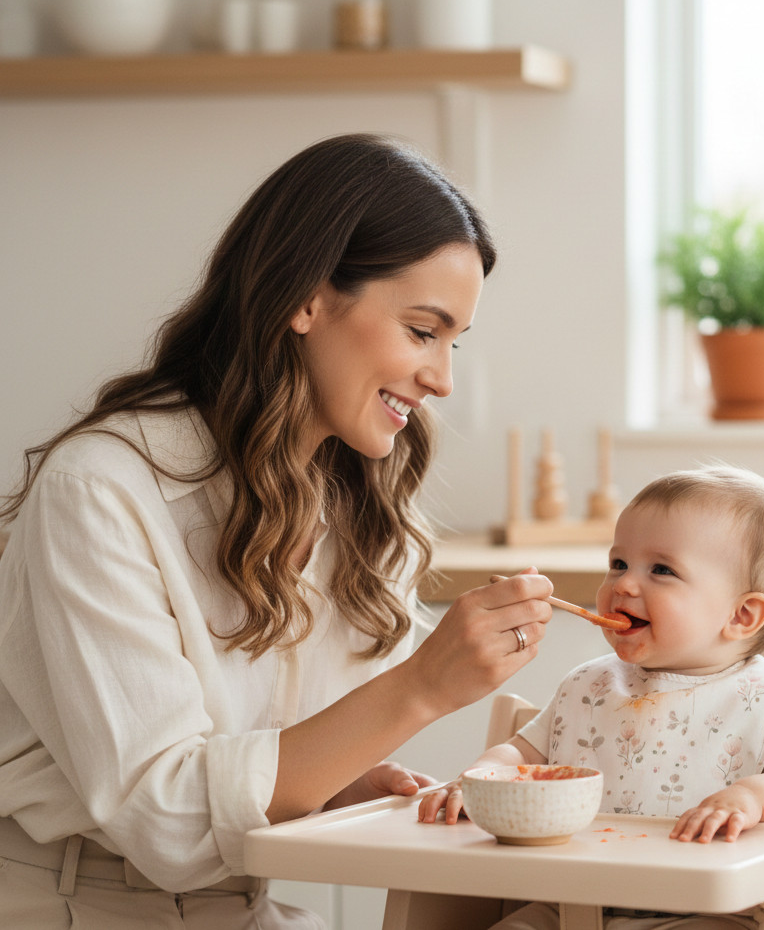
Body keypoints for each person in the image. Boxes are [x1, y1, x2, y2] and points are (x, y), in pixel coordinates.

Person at [0, 133, 555, 928]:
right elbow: (167, 823)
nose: (443, 378)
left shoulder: (359, 500)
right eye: (423, 331)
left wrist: (335, 786)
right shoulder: (100, 491)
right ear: (306, 299)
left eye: (454, 342)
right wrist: (423, 686)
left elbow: (261, 762)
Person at [418, 465, 764, 930]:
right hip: (568, 905)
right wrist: (477, 781)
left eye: (661, 570)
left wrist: (749, 798)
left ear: (742, 614)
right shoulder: (589, 686)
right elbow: (521, 755)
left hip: (706, 911)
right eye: (619, 564)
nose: (623, 584)